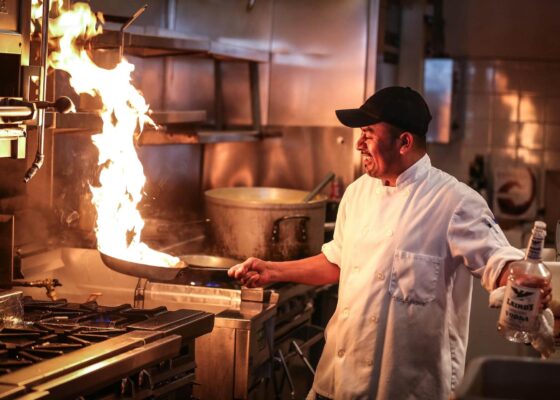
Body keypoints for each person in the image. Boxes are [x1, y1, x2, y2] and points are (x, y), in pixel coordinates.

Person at [228, 86, 551, 400]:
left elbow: (499, 260)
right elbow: (339, 261)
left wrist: (520, 276)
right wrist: (273, 270)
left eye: (368, 133)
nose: (358, 144)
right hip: (336, 380)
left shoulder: (453, 202)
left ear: (404, 142)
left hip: (405, 386)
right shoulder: (357, 193)